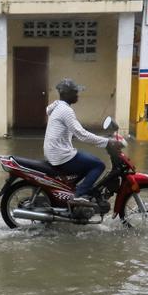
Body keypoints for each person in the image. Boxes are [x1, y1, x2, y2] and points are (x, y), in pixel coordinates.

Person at [44, 78, 109, 208]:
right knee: (98, 165)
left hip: (54, 152)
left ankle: (76, 190)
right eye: (75, 92)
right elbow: (82, 134)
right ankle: (79, 195)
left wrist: (99, 137)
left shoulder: (58, 107)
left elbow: (72, 131)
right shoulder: (65, 110)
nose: (77, 94)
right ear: (66, 94)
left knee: (88, 162)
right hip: (61, 155)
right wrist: (107, 142)